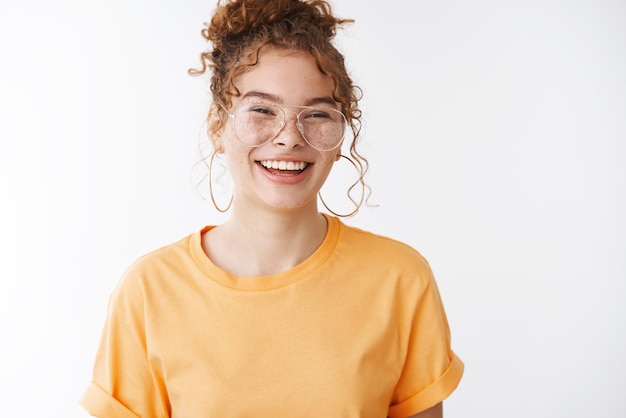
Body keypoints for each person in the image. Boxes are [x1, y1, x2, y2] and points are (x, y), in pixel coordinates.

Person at [79, 0, 464, 417]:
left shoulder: (401, 279)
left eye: (317, 114)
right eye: (262, 110)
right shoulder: (149, 291)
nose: (289, 137)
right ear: (217, 127)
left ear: (340, 137)